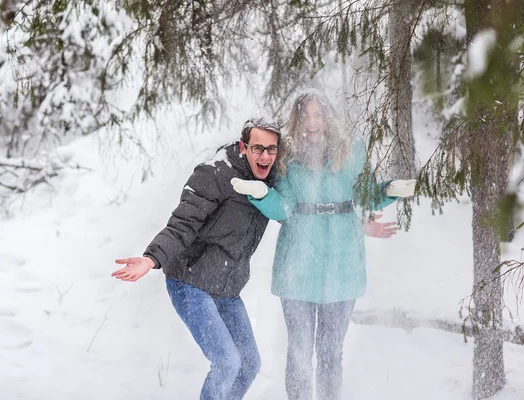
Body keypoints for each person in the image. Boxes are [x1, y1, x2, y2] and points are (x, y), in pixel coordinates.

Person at [230, 91, 415, 400]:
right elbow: (284, 208)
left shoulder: (352, 151)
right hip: (297, 267)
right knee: (300, 352)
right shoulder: (287, 157)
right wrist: (262, 194)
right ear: (297, 120)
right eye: (306, 116)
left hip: (342, 266)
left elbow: (366, 196)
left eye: (318, 115)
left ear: (328, 117)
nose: (312, 123)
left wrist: (390, 189)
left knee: (331, 353)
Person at [111, 118, 283, 400]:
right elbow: (182, 224)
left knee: (249, 365)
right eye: (257, 148)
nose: (265, 156)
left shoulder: (271, 182)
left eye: (271, 149)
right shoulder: (215, 174)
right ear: (243, 147)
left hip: (227, 289)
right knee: (227, 363)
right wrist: (151, 258)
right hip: (190, 282)